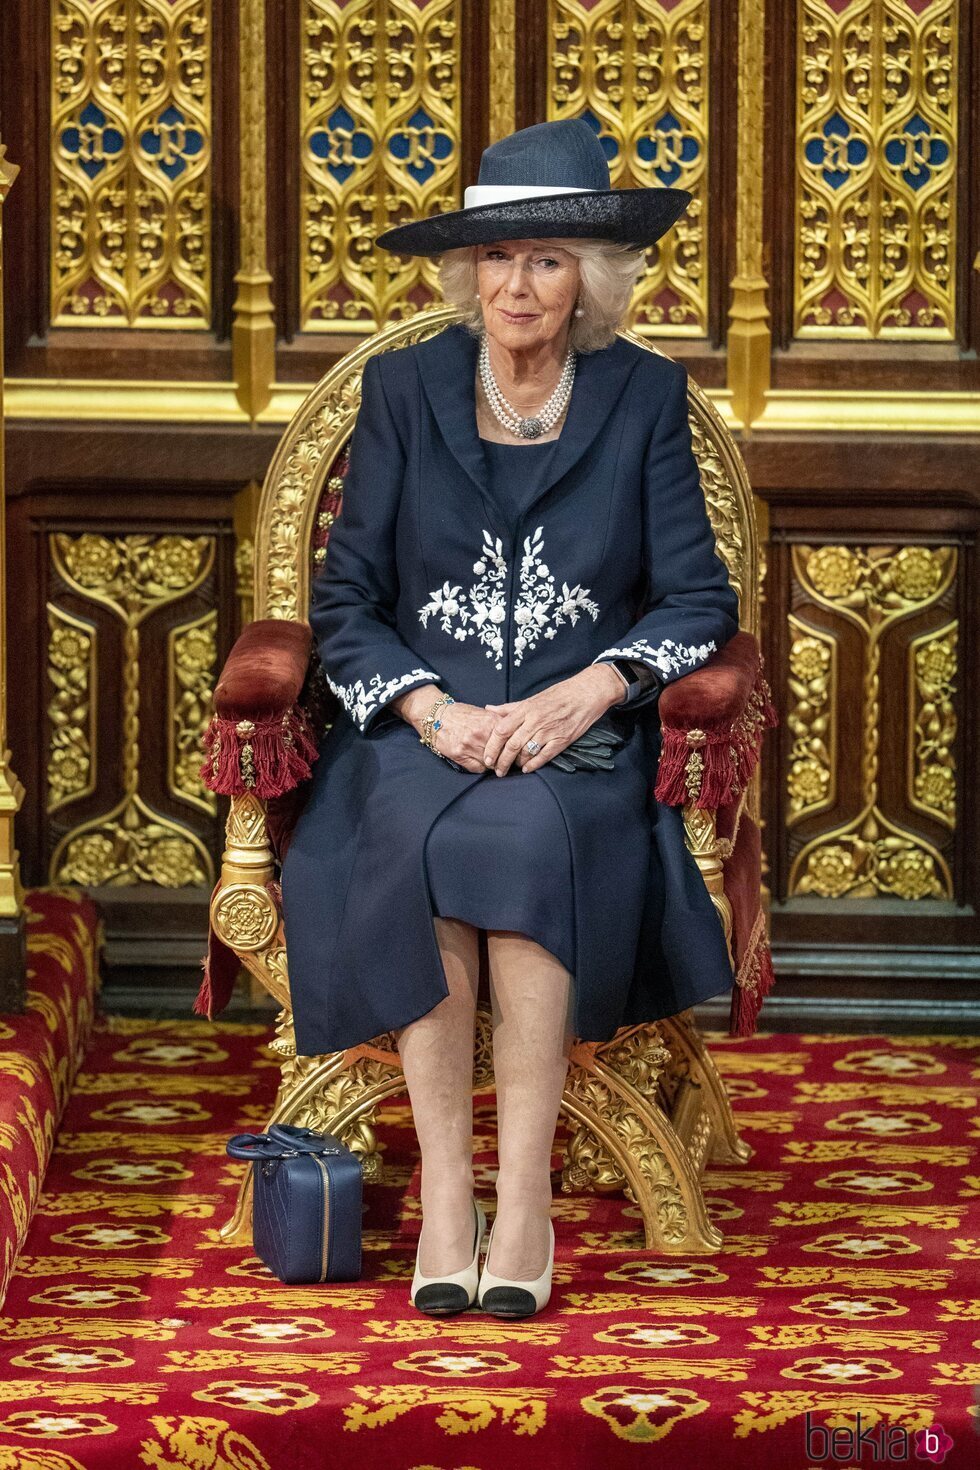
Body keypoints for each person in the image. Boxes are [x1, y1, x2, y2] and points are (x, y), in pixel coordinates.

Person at [280, 118, 740, 1320]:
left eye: (543, 259)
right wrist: (427, 708)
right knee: (422, 840)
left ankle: (521, 1197)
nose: (514, 284)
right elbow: (345, 600)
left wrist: (591, 688)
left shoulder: (643, 396)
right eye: (495, 258)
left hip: (570, 732)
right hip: (417, 725)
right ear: (464, 271)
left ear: (588, 279)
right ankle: (447, 1194)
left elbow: (697, 598)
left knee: (524, 841)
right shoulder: (403, 386)